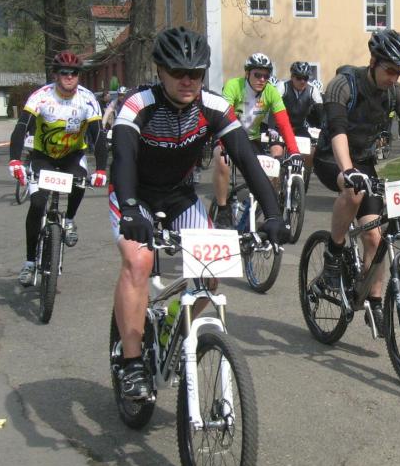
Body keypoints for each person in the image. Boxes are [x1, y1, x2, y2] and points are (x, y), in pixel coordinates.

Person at [109, 27, 288, 399]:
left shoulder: (213, 107)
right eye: (178, 72)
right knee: (139, 262)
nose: (187, 80)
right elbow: (123, 158)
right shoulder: (139, 104)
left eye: (195, 72)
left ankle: (172, 324)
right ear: (160, 71)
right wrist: (128, 209)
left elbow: (246, 159)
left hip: (180, 197)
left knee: (210, 275)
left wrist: (273, 215)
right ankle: (131, 362)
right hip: (135, 196)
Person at [315, 29, 400, 335]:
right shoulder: (343, 85)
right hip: (331, 157)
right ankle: (333, 254)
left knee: (375, 238)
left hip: (363, 162)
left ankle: (374, 301)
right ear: (373, 62)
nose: (394, 77)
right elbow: (337, 130)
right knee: (353, 192)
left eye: (399, 72)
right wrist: (348, 170)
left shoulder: (395, 92)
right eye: (390, 70)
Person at [8, 50, 108, 285]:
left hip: (73, 156)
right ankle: (29, 262)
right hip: (43, 156)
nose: (70, 76)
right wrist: (14, 160)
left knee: (80, 182)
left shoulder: (87, 99)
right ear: (55, 75)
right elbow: (21, 127)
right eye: (64, 72)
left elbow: (98, 136)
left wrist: (102, 169)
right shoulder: (41, 97)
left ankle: (69, 220)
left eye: (74, 72)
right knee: (37, 204)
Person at [212, 52, 301, 228]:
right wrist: (223, 145)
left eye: (266, 76)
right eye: (257, 74)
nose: (262, 79)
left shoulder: (271, 91)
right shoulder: (234, 86)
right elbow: (222, 117)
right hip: (227, 135)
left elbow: (284, 123)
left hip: (252, 139)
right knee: (222, 160)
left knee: (270, 173)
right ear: (247, 73)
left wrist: (294, 151)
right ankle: (222, 209)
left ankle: (257, 211)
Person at [274, 61, 324, 177]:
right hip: (281, 127)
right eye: (299, 78)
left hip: (299, 127)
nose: (302, 81)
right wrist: (271, 128)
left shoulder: (312, 90)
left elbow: (321, 112)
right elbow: (273, 110)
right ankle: (277, 180)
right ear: (292, 77)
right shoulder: (282, 86)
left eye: (305, 78)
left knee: (310, 152)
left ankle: (303, 179)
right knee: (277, 154)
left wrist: (323, 129)